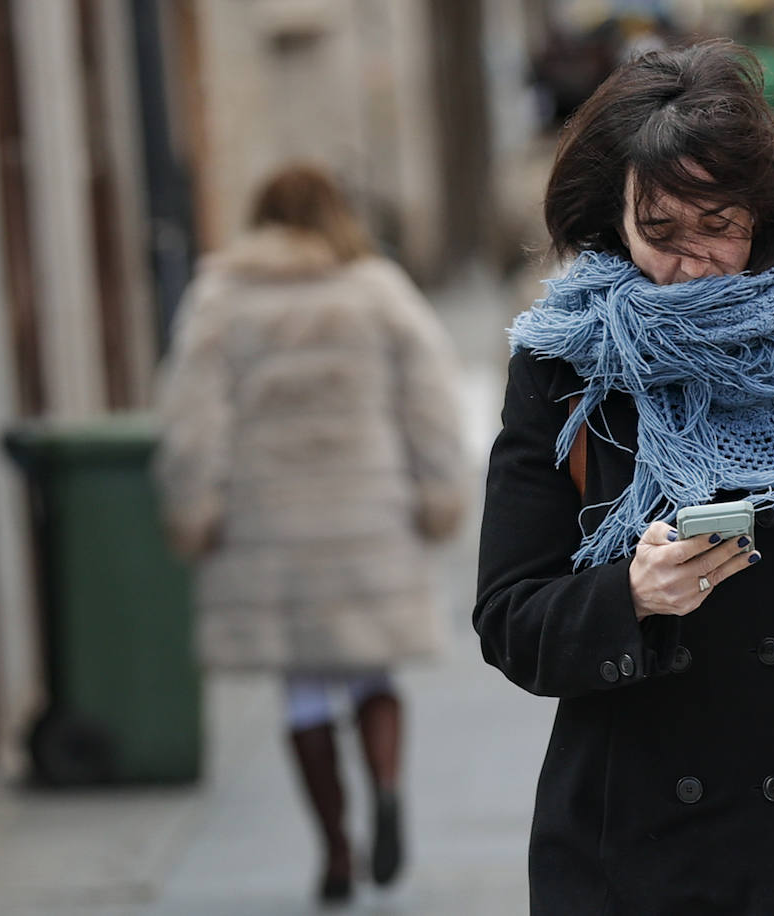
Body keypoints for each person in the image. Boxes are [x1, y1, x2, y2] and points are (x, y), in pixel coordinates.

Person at [474, 40, 774, 915]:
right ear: (613, 217)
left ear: (762, 208)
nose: (691, 259)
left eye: (718, 225)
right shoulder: (564, 364)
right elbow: (511, 615)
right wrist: (629, 596)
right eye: (660, 231)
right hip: (634, 849)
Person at [154, 164, 466, 906]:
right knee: (370, 670)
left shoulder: (221, 298)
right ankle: (387, 786)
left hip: (271, 521)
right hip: (367, 509)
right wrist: (438, 488)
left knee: (302, 691)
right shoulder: (375, 289)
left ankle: (334, 848)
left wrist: (193, 503)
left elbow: (192, 416)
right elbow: (431, 393)